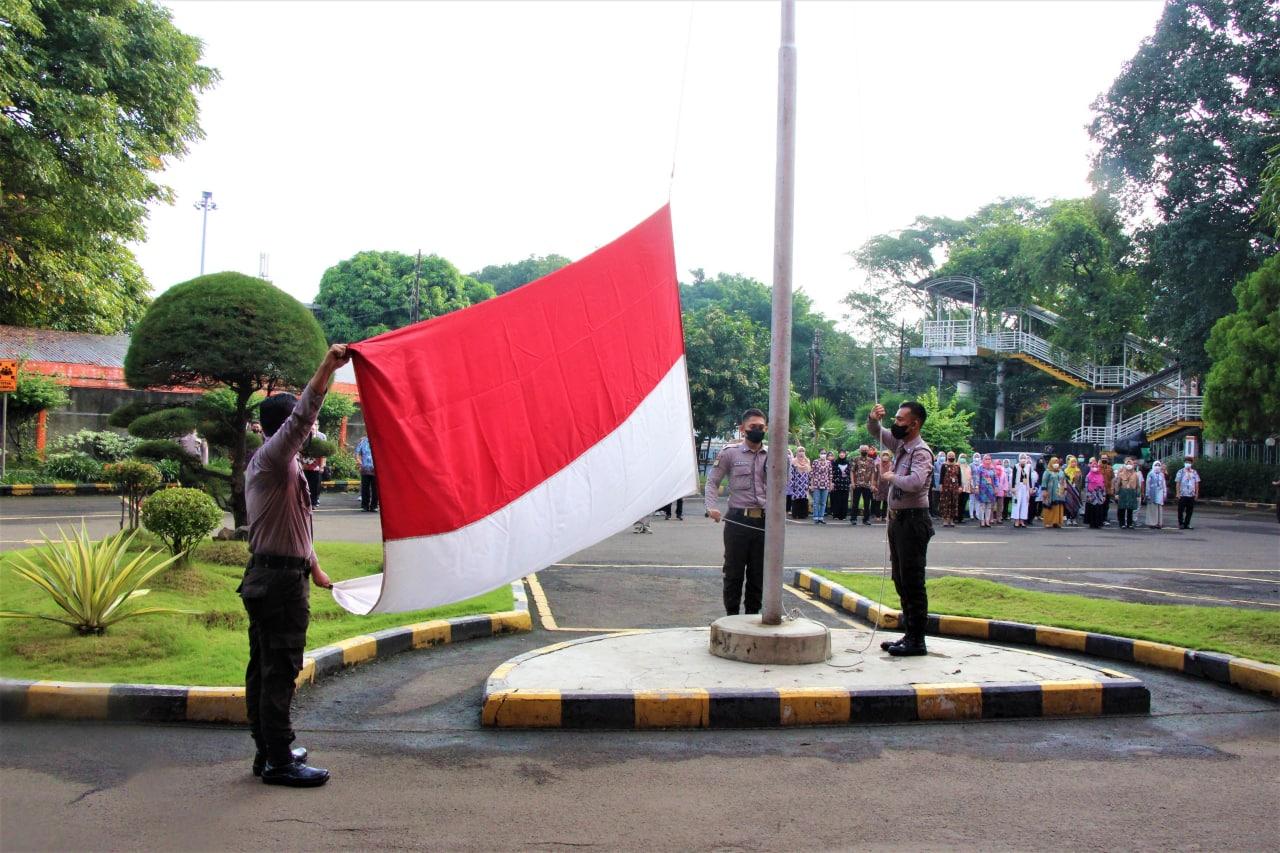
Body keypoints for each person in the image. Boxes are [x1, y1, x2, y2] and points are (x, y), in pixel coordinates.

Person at [240, 343, 348, 788]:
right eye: (304, 426)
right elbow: (303, 417)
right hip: (278, 584)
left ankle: (268, 750)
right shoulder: (273, 458)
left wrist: (315, 567)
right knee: (279, 669)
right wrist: (326, 367)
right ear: (283, 428)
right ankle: (280, 760)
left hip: (278, 575)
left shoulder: (283, 467)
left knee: (265, 666)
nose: (311, 429)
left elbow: (295, 524)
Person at [868, 401, 935, 657]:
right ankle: (909, 634)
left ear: (914, 424)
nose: (895, 424)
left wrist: (891, 477)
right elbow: (876, 431)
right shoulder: (900, 445)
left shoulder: (920, 452)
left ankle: (917, 640)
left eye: (899, 420)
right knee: (900, 579)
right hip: (898, 521)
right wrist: (873, 418)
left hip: (913, 521)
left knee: (912, 581)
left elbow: (916, 483)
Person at [704, 408, 771, 615]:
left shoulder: (774, 455)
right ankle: (731, 616)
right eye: (753, 427)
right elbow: (712, 482)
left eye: (761, 427)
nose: (757, 430)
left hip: (764, 522)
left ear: (766, 428)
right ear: (743, 429)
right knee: (733, 572)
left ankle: (752, 617)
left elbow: (781, 485)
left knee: (758, 573)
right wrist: (711, 507)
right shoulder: (730, 453)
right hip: (737, 521)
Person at [299, 424, 327, 511]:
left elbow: (323, 454)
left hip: (315, 468)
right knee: (304, 486)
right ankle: (304, 502)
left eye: (313, 429)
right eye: (310, 429)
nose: (312, 430)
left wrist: (322, 466)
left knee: (314, 487)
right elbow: (299, 452)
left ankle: (313, 503)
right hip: (304, 467)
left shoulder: (320, 440)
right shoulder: (303, 439)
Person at [1010, 454, 1037, 528]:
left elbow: (1029, 478)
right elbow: (1013, 478)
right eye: (1021, 458)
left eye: (1024, 458)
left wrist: (1030, 488)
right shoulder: (1016, 466)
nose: (1023, 459)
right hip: (1017, 486)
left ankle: (1022, 520)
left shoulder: (1028, 467)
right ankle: (1016, 520)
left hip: (1025, 486)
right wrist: (1013, 488)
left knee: (1024, 503)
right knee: (1017, 503)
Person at [851, 445, 876, 525]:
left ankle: (866, 519)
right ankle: (853, 519)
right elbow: (852, 471)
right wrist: (852, 482)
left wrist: (872, 484)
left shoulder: (871, 460)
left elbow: (873, 472)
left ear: (868, 451)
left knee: (867, 503)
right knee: (855, 502)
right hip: (857, 484)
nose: (864, 451)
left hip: (867, 485)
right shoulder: (855, 459)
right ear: (860, 451)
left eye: (866, 450)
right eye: (863, 450)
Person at [1040, 457, 1066, 529]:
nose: (1056, 464)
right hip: (1049, 493)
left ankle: (1057, 522)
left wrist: (1064, 489)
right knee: (1049, 507)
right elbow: (1044, 481)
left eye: (1057, 462)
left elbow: (1064, 481)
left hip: (1059, 493)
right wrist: (1044, 490)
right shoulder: (1047, 472)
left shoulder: (1061, 472)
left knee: (1058, 507)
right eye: (1054, 462)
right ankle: (1049, 522)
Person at [1115, 458, 1141, 529]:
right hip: (1123, 492)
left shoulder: (1135, 475)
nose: (1129, 465)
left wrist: (1138, 494)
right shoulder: (1121, 474)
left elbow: (1138, 486)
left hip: (1131, 492)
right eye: (1127, 464)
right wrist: (1117, 493)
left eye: (1130, 464)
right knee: (1122, 509)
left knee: (1130, 509)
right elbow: (1118, 484)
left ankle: (1130, 523)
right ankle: (1122, 523)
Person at [1175, 457, 1201, 529]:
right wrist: (1177, 493)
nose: (1188, 464)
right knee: (1180, 510)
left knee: (1189, 510)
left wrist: (1196, 493)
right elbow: (1178, 482)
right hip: (1183, 494)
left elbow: (1196, 483)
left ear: (1192, 463)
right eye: (1186, 462)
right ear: (1184, 463)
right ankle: (1181, 523)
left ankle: (1187, 523)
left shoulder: (1194, 472)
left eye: (1189, 462)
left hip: (1191, 494)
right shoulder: (1180, 471)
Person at [354, 434, 378, 512]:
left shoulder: (379, 441)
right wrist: (359, 462)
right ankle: (365, 506)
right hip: (365, 468)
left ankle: (374, 506)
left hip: (376, 470)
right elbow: (357, 453)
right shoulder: (363, 441)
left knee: (375, 489)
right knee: (365, 488)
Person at [809, 450, 833, 524]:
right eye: (822, 453)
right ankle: (816, 517)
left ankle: (821, 517)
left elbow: (830, 474)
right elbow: (812, 474)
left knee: (823, 502)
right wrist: (812, 484)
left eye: (824, 453)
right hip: (816, 484)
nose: (823, 454)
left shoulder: (828, 463)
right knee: (816, 502)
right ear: (819, 454)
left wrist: (830, 484)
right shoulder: (815, 462)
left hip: (825, 484)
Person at [938, 451, 961, 527]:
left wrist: (960, 486)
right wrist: (941, 486)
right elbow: (941, 476)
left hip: (955, 487)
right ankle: (945, 520)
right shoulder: (944, 465)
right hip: (946, 487)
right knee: (945, 503)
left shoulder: (957, 466)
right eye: (950, 456)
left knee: (954, 503)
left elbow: (959, 477)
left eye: (952, 456)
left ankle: (951, 520)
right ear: (947, 457)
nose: (951, 457)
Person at [788, 447, 812, 520]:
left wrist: (809, 484)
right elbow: (791, 473)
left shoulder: (807, 461)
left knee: (804, 499)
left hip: (804, 484)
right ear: (797, 452)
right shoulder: (794, 461)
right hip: (796, 484)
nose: (801, 453)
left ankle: (803, 514)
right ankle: (796, 514)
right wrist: (792, 483)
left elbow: (809, 473)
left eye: (803, 451)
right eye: (800, 451)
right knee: (796, 499)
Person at [975, 454, 998, 528]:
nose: (988, 460)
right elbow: (977, 479)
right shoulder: (980, 468)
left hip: (990, 489)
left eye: (989, 459)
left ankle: (987, 521)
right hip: (982, 490)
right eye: (986, 459)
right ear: (983, 460)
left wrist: (996, 487)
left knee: (989, 506)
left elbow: (996, 479)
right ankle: (982, 521)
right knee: (982, 506)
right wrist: (976, 487)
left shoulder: (993, 469)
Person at [1145, 460, 1168, 529]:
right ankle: (1152, 523)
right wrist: (1147, 493)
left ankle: (1159, 523)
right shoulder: (1150, 474)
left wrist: (1165, 493)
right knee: (1152, 508)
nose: (1157, 467)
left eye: (1159, 465)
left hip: (1160, 493)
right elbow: (1147, 484)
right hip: (1152, 493)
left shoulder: (1161, 474)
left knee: (1159, 508)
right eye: (1156, 465)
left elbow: (1164, 484)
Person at [1084, 461, 1107, 528]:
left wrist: (1104, 495)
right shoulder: (1088, 476)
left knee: (1098, 509)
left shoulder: (1101, 476)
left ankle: (1098, 524)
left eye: (1096, 466)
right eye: (1093, 466)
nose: (1095, 468)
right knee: (1092, 509)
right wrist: (1088, 495)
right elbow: (1086, 486)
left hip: (1099, 495)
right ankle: (1092, 524)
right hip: (1091, 494)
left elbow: (1103, 486)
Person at [830, 450, 852, 521]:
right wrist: (832, 482)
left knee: (844, 500)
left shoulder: (848, 462)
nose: (842, 454)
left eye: (843, 453)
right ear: (838, 454)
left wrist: (850, 483)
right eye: (840, 453)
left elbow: (850, 473)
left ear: (845, 454)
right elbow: (832, 473)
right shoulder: (835, 462)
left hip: (845, 484)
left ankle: (843, 516)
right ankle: (836, 515)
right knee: (837, 499)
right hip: (837, 484)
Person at [956, 453, 972, 524]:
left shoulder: (968, 467)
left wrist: (971, 486)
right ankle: (956, 517)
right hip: (958, 487)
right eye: (962, 457)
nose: (963, 459)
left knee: (963, 503)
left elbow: (970, 477)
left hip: (966, 488)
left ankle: (961, 518)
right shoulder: (956, 466)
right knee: (958, 503)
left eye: (964, 458)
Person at [1100, 455, 1115, 526]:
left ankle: (1104, 519)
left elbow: (1112, 479)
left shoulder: (1110, 468)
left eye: (1105, 458)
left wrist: (1112, 488)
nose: (1104, 459)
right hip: (1099, 490)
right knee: (1099, 505)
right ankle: (1099, 519)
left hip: (1107, 490)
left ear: (1108, 460)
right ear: (1100, 459)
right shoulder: (1098, 468)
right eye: (1103, 458)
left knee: (1106, 506)